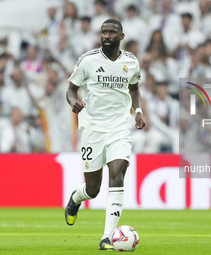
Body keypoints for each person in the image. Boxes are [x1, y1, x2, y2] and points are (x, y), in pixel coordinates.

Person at [65, 19, 145, 250]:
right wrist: (74, 103)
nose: (107, 35)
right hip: (92, 128)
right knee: (93, 189)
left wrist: (138, 111)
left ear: (121, 36)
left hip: (120, 127)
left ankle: (107, 237)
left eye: (112, 32)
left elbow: (135, 88)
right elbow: (71, 89)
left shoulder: (131, 62)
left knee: (118, 175)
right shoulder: (88, 60)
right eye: (104, 32)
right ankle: (76, 198)